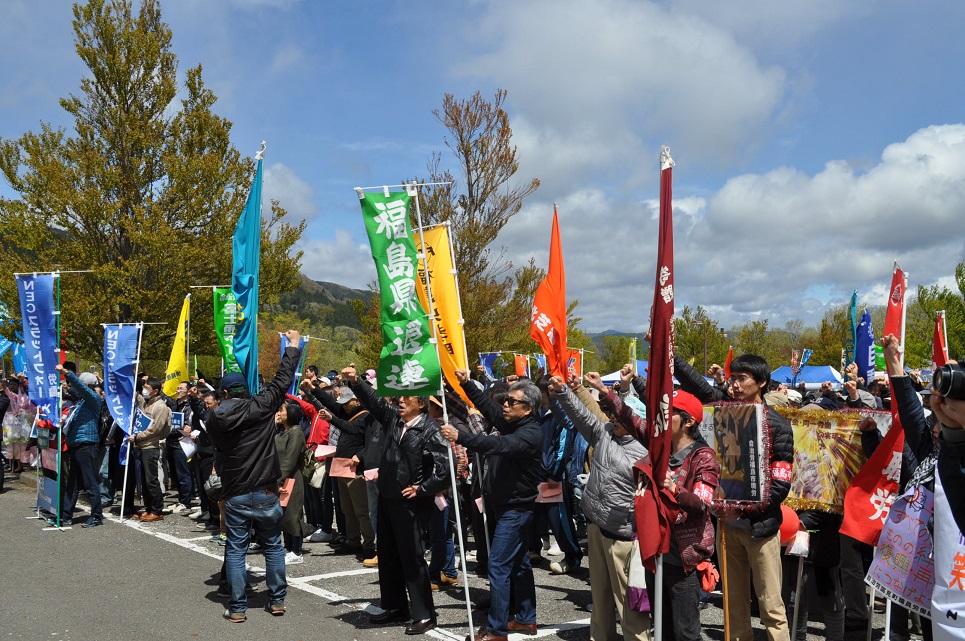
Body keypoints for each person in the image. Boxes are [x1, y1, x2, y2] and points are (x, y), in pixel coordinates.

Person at [673, 351, 794, 641]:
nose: (735, 385)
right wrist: (671, 354)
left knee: (771, 606)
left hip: (761, 529)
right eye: (732, 378)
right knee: (733, 605)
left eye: (742, 379)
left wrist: (742, 511)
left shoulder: (778, 425)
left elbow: (781, 485)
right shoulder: (722, 414)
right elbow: (697, 385)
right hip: (725, 527)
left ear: (762, 382)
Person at [342, 365, 449, 636]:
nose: (400, 400)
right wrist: (355, 383)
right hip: (388, 497)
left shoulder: (429, 429)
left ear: (421, 403)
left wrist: (423, 488)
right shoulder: (393, 420)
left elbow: (444, 468)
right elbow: (374, 401)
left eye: (407, 398)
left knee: (412, 559)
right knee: (388, 555)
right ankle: (394, 606)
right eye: (399, 397)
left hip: (410, 504)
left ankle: (425, 614)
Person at [206, 329, 301, 623]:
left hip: (235, 490)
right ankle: (276, 601)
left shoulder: (215, 417)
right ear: (245, 389)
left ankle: (237, 607)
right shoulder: (261, 406)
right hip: (265, 488)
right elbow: (282, 380)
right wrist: (293, 347)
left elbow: (218, 449)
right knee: (273, 545)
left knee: (236, 549)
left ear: (223, 393)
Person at [441, 369, 543, 641]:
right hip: (503, 506)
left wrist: (459, 437)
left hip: (515, 510)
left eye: (511, 402)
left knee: (498, 566)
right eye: (505, 400)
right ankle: (525, 618)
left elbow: (494, 444)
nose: (505, 405)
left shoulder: (529, 434)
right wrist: (466, 385)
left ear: (528, 408)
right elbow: (489, 408)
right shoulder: (514, 422)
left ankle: (497, 631)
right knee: (519, 565)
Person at [549, 373, 652, 641]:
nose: (615, 420)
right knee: (600, 598)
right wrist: (564, 392)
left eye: (622, 418)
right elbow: (583, 416)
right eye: (614, 416)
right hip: (597, 527)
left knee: (629, 604)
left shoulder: (645, 451)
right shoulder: (605, 433)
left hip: (624, 537)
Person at [56, 364, 106, 528]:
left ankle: (97, 516)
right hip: (76, 445)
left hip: (87, 445)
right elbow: (71, 390)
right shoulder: (80, 403)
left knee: (90, 482)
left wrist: (67, 374)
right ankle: (65, 515)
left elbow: (79, 387)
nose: (73, 389)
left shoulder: (93, 399)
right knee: (73, 484)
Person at [124, 377, 172, 522]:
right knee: (144, 480)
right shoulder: (144, 403)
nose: (145, 389)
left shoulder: (161, 407)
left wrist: (138, 436)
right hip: (140, 446)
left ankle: (157, 510)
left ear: (156, 391)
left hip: (150, 446)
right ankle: (149, 508)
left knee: (152, 480)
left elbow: (155, 429)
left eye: (147, 387)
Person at [274, 398, 306, 565]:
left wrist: (279, 480)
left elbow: (290, 460)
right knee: (283, 515)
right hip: (281, 478)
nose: (279, 413)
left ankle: (297, 551)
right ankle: (287, 548)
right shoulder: (281, 431)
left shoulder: (296, 432)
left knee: (293, 514)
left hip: (292, 479)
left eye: (282, 410)